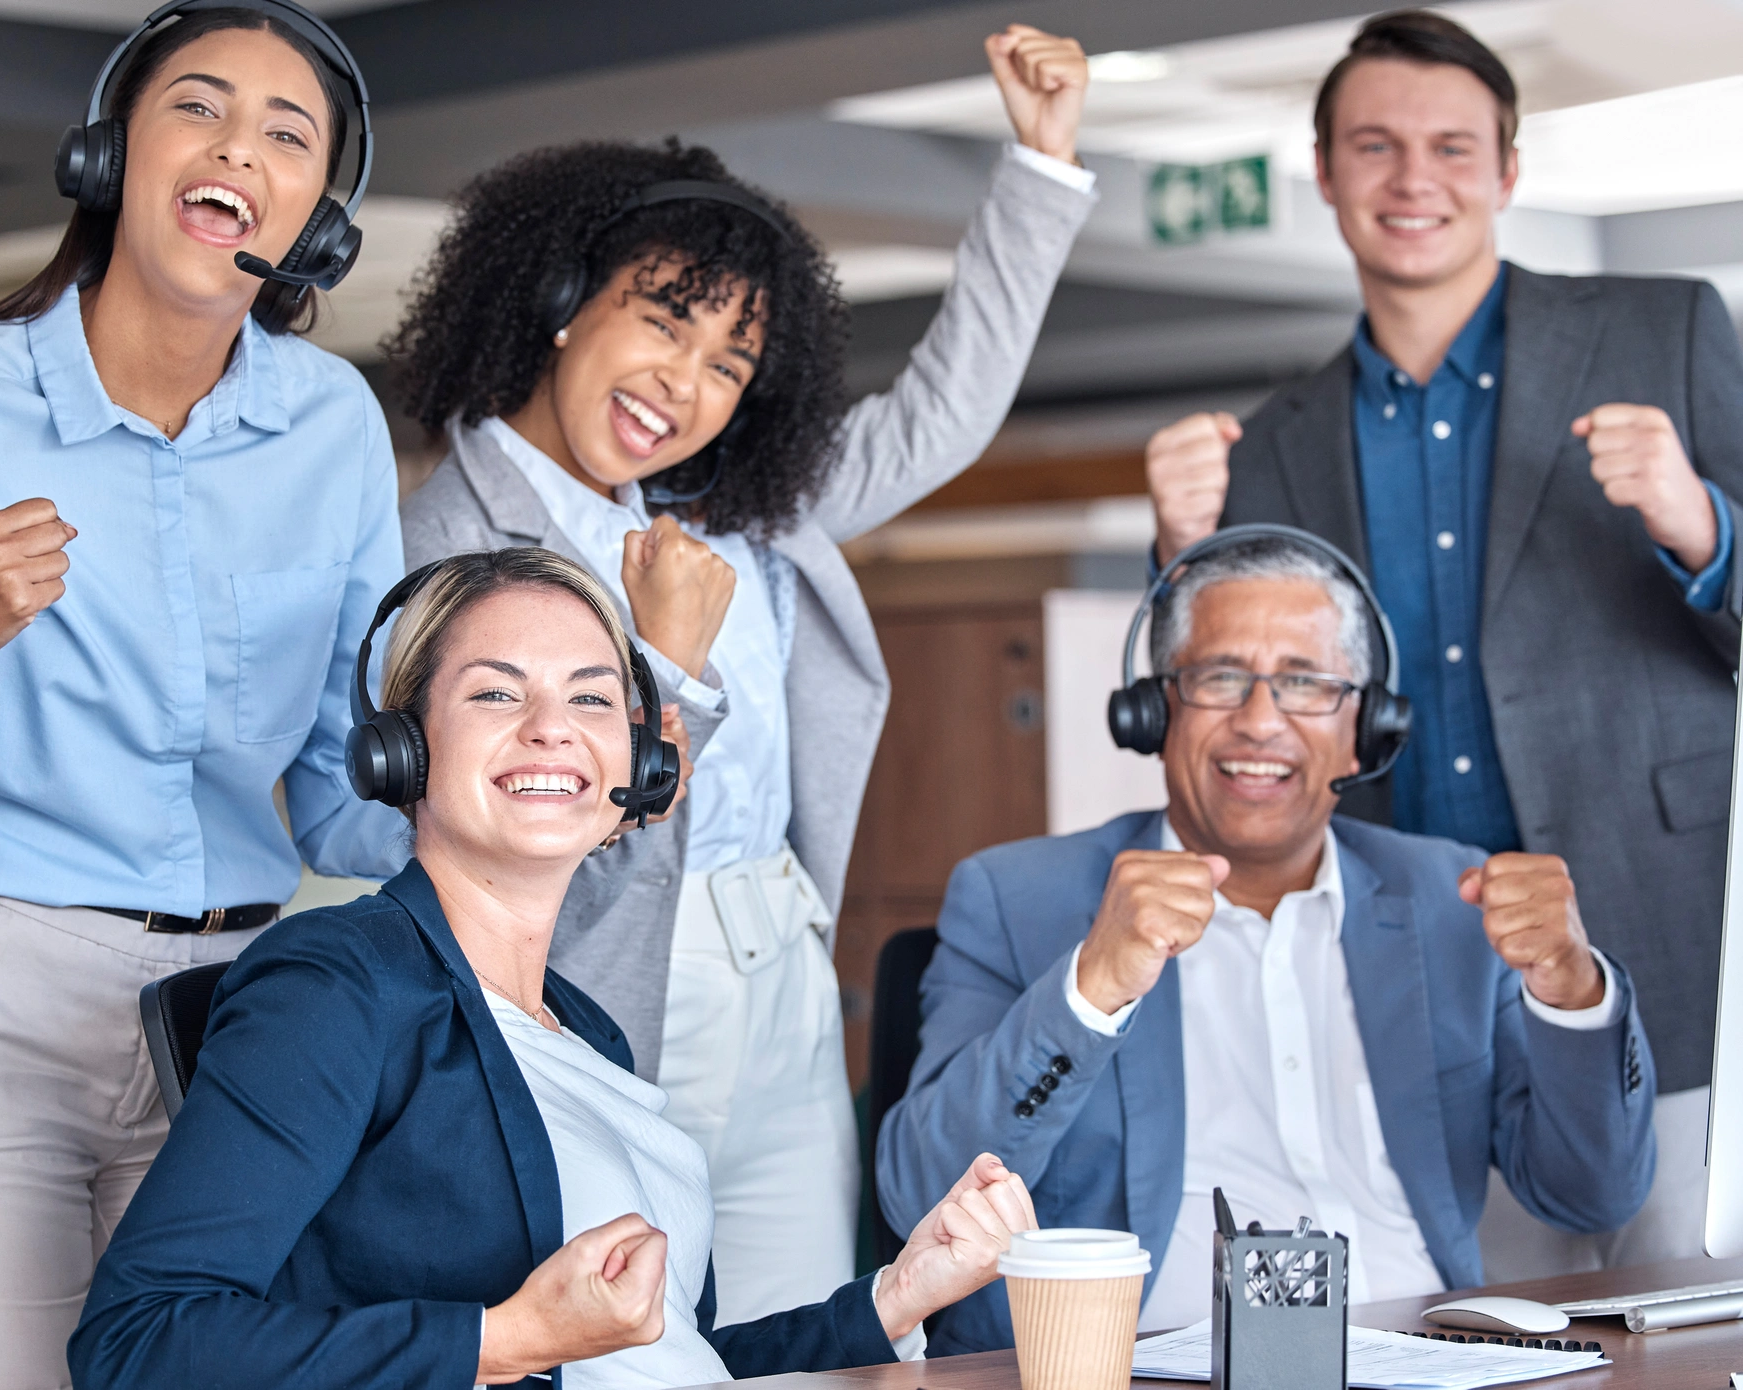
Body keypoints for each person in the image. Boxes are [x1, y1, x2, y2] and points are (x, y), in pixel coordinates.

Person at [393, 25, 1097, 1323]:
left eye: (729, 362)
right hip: (603, 965)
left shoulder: (740, 507)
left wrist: (1040, 165)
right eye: (664, 324)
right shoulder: (451, 537)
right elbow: (472, 819)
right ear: (563, 302)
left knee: (812, 1324)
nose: (687, 384)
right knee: (621, 1336)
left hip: (781, 952)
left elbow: (942, 410)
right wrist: (665, 663)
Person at [68, 547, 1038, 1388]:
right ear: (402, 750)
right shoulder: (338, 985)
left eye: (592, 696)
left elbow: (664, 1359)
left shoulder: (588, 1030)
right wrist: (506, 1340)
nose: (551, 726)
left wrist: (897, 1295)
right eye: (497, 692)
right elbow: (137, 1341)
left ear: (637, 767)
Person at [0, 5, 407, 1384]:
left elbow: (347, 803)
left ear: (319, 219)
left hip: (239, 1015)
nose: (239, 150)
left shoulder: (334, 425)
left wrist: (515, 781)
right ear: (108, 156)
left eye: (287, 135)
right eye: (197, 108)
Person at [1141, 8, 1742, 1272]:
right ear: (1325, 174)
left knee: (1701, 1328)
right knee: (1483, 1336)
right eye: (1376, 146)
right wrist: (1175, 552)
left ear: (1508, 171)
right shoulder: (1274, 444)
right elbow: (1228, 715)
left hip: (1669, 949)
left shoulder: (1668, 327)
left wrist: (1700, 522)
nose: (1414, 179)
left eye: (1453, 148)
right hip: (1427, 998)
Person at [876, 530, 1656, 1352]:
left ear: (1366, 727)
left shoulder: (1448, 897)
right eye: (1220, 678)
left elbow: (1594, 1196)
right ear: (1156, 713)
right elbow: (919, 1194)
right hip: (1142, 1365)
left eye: (1305, 682)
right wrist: (1090, 991)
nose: (1259, 721)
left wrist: (1572, 994)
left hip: (1424, 1359)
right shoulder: (1016, 897)